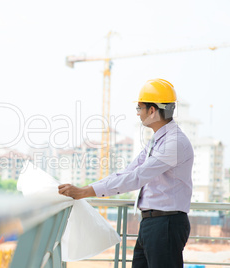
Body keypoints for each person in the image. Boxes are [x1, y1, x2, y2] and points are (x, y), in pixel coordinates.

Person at [58, 78, 193, 268]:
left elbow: (136, 178)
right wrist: (87, 188)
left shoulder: (174, 143)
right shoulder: (157, 140)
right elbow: (128, 172)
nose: (138, 114)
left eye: (139, 108)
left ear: (152, 110)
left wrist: (85, 192)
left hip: (166, 224)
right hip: (152, 223)